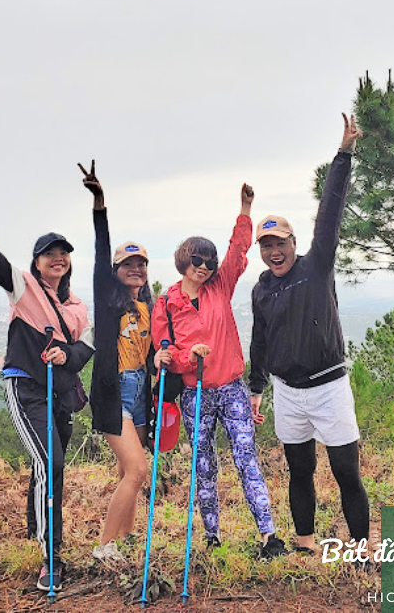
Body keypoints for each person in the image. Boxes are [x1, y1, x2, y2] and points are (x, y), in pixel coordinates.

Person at [0, 204, 94, 592]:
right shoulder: (24, 287)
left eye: (63, 254)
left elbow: (87, 347)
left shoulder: (78, 306)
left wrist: (67, 354)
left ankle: (35, 527)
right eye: (50, 253)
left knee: (50, 465)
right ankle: (52, 558)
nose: (58, 259)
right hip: (27, 387)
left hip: (61, 394)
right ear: (37, 261)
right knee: (51, 462)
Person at [248, 113, 370, 558]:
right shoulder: (262, 288)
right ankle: (303, 545)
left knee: (345, 472)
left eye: (280, 243)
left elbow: (330, 214)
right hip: (288, 393)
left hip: (329, 388)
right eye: (267, 245)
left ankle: (360, 549)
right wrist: (256, 388)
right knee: (299, 470)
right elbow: (260, 341)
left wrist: (344, 154)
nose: (275, 251)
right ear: (260, 250)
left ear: (295, 243)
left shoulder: (316, 268)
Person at [151, 184, 288, 561]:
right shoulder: (165, 303)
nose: (205, 266)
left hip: (231, 388)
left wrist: (245, 208)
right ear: (183, 261)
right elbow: (164, 352)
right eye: (197, 259)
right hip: (195, 392)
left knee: (247, 459)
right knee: (203, 466)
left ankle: (268, 536)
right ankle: (212, 536)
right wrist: (183, 358)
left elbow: (238, 250)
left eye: (208, 260)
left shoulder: (220, 287)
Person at [78, 161, 154, 564]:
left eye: (141, 264)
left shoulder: (147, 304)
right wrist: (100, 203)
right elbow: (99, 250)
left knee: (131, 472)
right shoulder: (108, 300)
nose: (136, 269)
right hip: (113, 392)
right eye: (128, 264)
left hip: (140, 390)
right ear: (115, 272)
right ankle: (105, 547)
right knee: (138, 469)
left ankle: (126, 540)